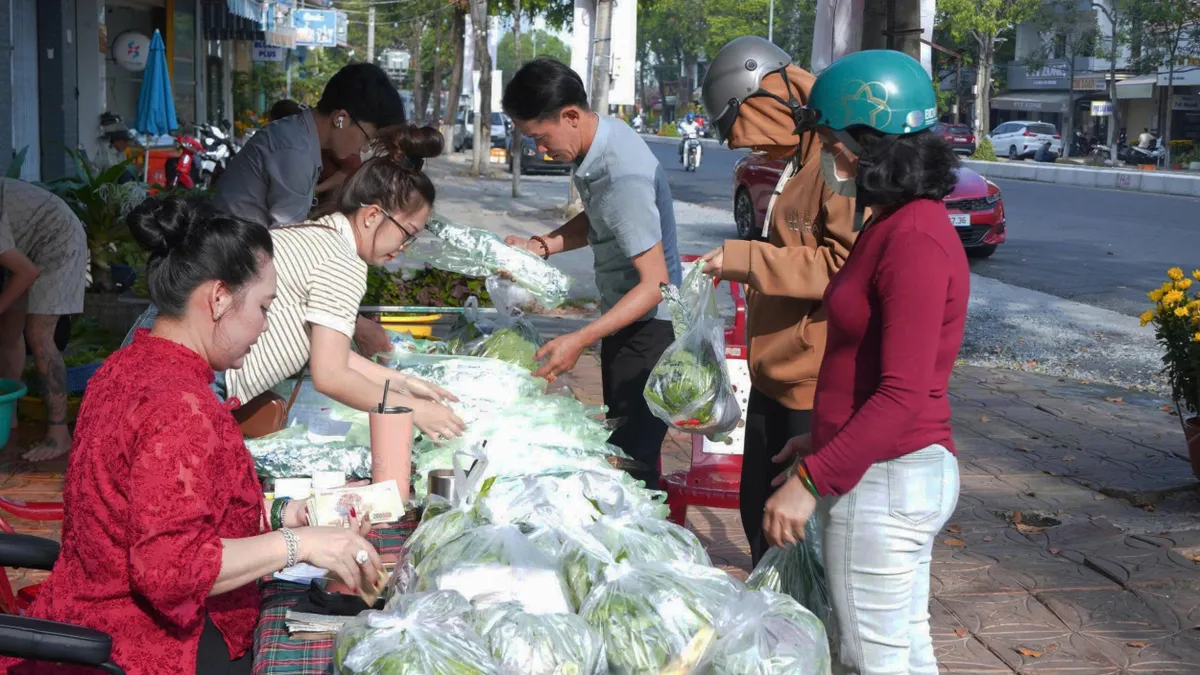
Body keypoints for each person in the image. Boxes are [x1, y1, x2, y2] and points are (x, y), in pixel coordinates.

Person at [0, 195, 384, 675]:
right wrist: (301, 544)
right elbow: (171, 571)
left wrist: (290, 513)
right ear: (219, 298)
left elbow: (173, 509)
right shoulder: (179, 406)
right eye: (264, 307)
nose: (265, 327)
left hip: (90, 611)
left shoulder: (128, 366)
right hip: (139, 642)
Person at [761, 50, 968, 674]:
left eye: (830, 141)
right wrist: (817, 442)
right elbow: (870, 363)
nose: (828, 157)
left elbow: (902, 391)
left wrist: (811, 483)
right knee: (903, 654)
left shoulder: (914, 239)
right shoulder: (893, 224)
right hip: (885, 467)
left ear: (867, 144)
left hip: (886, 478)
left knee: (866, 661)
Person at [122, 125, 464, 441]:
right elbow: (331, 374)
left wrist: (402, 383)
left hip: (161, 346)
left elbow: (334, 353)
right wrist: (415, 410)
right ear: (373, 215)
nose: (403, 249)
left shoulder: (321, 234)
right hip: (194, 373)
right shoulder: (343, 261)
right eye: (407, 235)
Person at [697, 36, 857, 565]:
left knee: (792, 543)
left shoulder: (836, 160)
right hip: (774, 372)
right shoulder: (802, 154)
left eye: (750, 136)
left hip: (810, 383)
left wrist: (745, 259)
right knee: (757, 517)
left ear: (767, 97)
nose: (754, 152)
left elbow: (842, 265)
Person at [501, 57, 682, 487]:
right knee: (623, 452)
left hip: (648, 332)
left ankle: (646, 548)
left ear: (570, 115)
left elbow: (656, 284)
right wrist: (541, 246)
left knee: (633, 467)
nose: (541, 150)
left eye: (541, 138)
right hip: (628, 320)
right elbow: (602, 218)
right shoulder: (600, 142)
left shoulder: (622, 174)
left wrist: (579, 339)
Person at [215, 64, 407, 358]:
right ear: (341, 119)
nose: (364, 148)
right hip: (233, 272)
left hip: (242, 265)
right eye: (366, 137)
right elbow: (290, 255)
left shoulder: (300, 140)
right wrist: (353, 324)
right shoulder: (295, 151)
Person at [0, 178, 88, 462]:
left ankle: (58, 434)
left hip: (58, 241)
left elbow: (27, 272)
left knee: (38, 336)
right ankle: (8, 417)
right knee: (8, 332)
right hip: (27, 248)